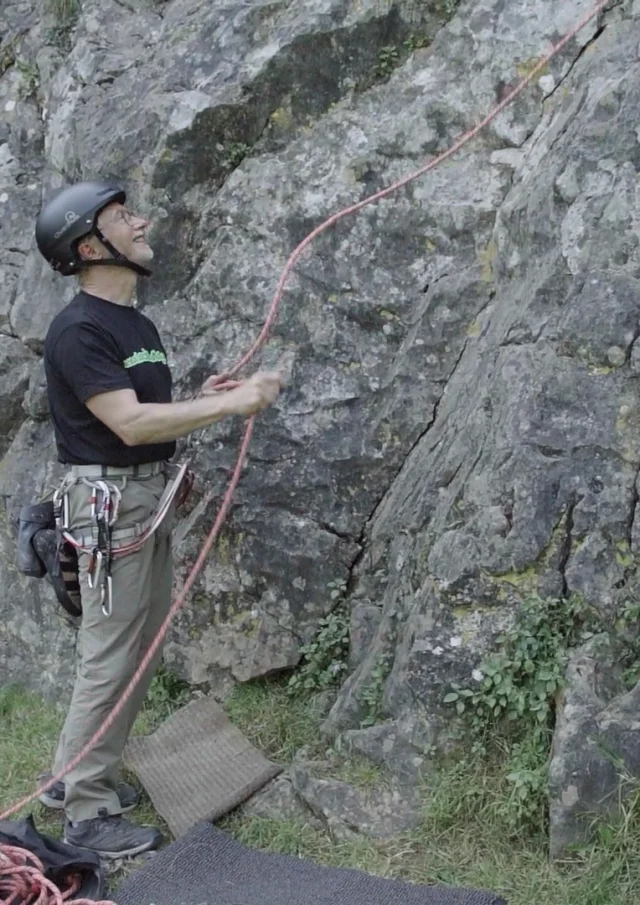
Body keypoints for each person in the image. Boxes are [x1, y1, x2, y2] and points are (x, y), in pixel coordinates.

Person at [33, 180, 283, 859]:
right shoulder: (78, 329)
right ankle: (86, 809)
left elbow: (145, 409)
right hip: (110, 507)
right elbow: (131, 422)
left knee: (137, 645)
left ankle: (75, 775)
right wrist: (234, 408)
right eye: (123, 217)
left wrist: (204, 398)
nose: (142, 221)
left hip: (145, 499)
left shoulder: (135, 326)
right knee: (110, 654)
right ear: (89, 246)